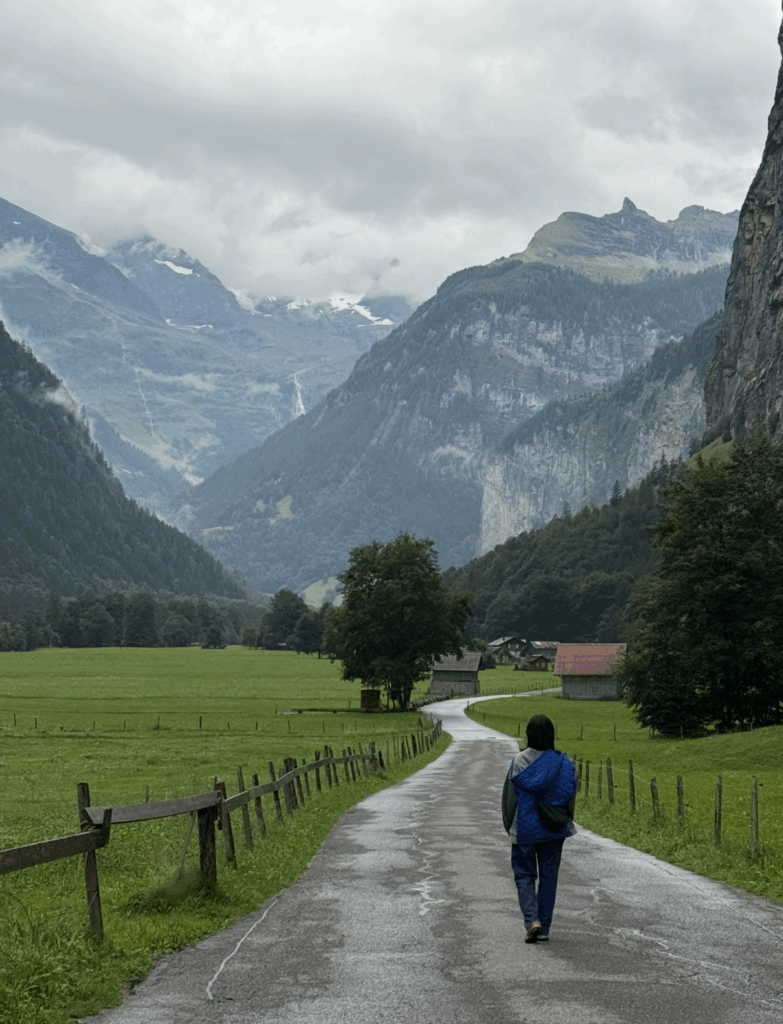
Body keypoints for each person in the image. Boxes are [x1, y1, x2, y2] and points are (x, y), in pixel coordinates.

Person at [501, 713, 577, 944]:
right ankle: (544, 927)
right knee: (549, 877)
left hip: (524, 830)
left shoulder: (519, 761)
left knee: (524, 875)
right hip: (554, 829)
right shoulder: (565, 763)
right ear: (552, 735)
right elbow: (569, 796)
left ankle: (532, 920)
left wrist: (509, 826)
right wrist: (565, 819)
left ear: (528, 735)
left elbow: (509, 799)